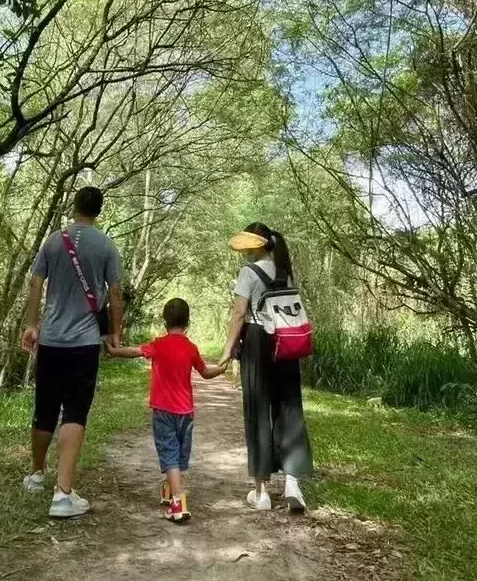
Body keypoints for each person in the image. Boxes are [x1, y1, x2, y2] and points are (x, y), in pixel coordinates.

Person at [20, 185, 123, 518]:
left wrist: (32, 324)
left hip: (50, 339)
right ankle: (63, 494)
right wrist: (114, 333)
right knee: (75, 411)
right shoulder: (106, 246)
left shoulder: (53, 241)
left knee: (45, 406)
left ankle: (36, 474)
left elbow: (35, 283)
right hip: (83, 343)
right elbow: (116, 293)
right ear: (99, 211)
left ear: (74, 206)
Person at [218, 222, 313, 513]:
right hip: (287, 341)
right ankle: (293, 484)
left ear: (256, 245)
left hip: (258, 340)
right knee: (289, 407)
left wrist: (227, 351)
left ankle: (261, 493)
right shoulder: (284, 270)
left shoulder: (249, 272)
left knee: (258, 411)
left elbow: (238, 314)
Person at [107, 297, 227, 524]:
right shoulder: (191, 347)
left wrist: (115, 351)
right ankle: (170, 491)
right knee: (181, 453)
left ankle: (178, 503)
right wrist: (221, 369)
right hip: (186, 412)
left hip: (163, 410)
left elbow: (134, 352)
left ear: (164, 322)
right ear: (188, 322)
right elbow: (205, 372)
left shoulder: (158, 344)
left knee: (169, 453)